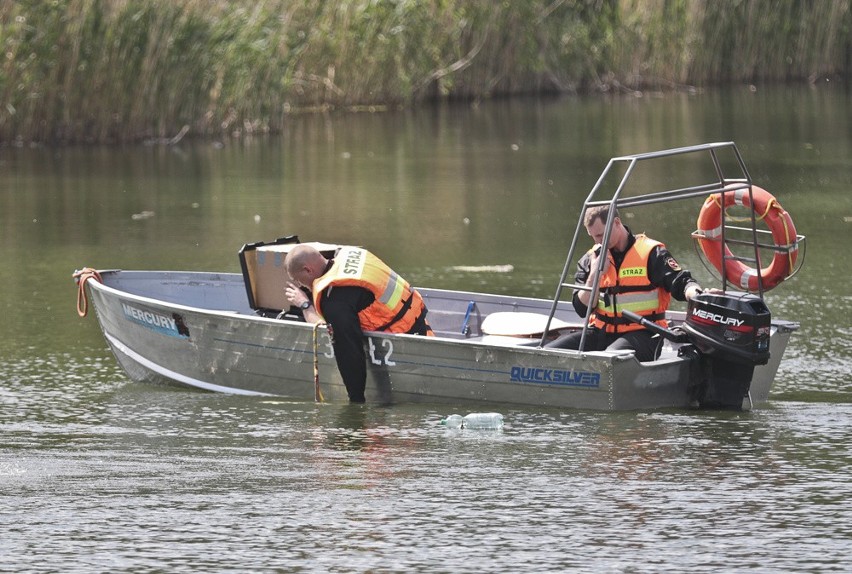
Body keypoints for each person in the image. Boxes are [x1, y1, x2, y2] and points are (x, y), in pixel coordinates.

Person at [546, 204, 703, 361]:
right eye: (593, 236)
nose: (598, 241)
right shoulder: (591, 258)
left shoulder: (651, 253)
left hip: (645, 334)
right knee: (547, 353)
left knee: (609, 359)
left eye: (601, 235)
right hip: (602, 332)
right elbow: (581, 309)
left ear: (616, 222)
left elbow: (681, 283)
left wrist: (698, 294)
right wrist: (594, 274)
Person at [284, 244, 433, 402]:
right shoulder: (349, 254)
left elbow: (349, 353)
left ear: (308, 270)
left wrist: (356, 400)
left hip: (402, 345)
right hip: (423, 328)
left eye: (297, 280)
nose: (300, 285)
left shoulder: (335, 302)